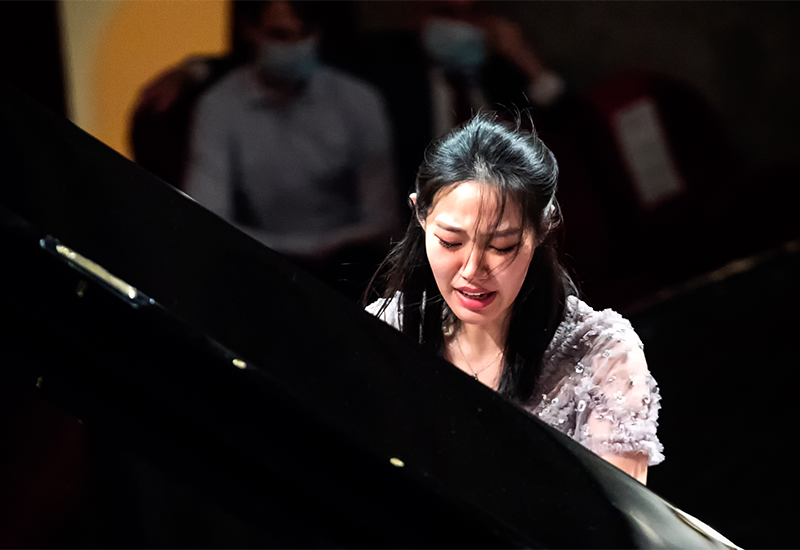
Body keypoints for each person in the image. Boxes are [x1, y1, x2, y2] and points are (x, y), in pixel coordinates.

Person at [365, 114, 663, 484]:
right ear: (420, 215)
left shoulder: (602, 355)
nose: (472, 270)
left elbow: (611, 514)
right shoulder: (387, 330)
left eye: (502, 247)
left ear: (543, 227)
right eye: (450, 242)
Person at [184, 0, 399, 298]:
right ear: (251, 30)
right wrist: (297, 251)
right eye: (280, 35)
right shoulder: (219, 106)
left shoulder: (359, 100)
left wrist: (322, 249)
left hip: (345, 268)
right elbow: (207, 216)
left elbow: (383, 219)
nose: (295, 46)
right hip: (256, 266)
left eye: (304, 33)